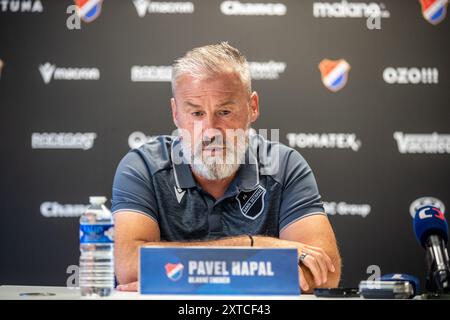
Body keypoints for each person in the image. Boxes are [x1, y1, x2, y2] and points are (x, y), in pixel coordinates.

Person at [112, 42, 341, 293]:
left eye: (224, 111)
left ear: (252, 107)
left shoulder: (285, 166)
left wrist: (174, 275)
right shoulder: (143, 167)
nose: (211, 130)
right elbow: (129, 266)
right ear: (176, 113)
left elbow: (323, 272)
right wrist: (256, 247)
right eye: (197, 113)